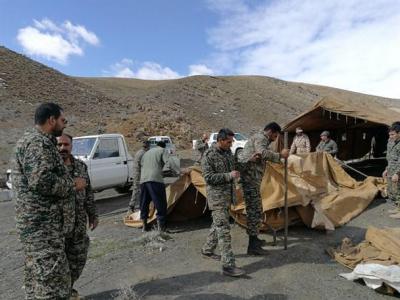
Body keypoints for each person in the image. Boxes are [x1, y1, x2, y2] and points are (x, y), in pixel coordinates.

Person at [12, 102, 87, 299]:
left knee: (39, 280)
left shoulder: (39, 142)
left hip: (43, 227)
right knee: (53, 282)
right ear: (51, 120)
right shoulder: (38, 143)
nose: (65, 124)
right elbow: (41, 181)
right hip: (42, 228)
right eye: (63, 120)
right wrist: (73, 185)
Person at [201, 128, 248, 277]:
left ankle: (207, 250)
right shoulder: (209, 155)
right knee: (224, 232)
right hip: (217, 199)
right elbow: (208, 177)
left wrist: (249, 160)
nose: (231, 144)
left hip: (227, 197)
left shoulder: (228, 152)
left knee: (217, 225)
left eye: (232, 141)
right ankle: (228, 266)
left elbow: (235, 165)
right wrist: (228, 176)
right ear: (220, 140)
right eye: (228, 141)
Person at [57, 133, 99, 299]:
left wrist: (93, 215)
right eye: (59, 145)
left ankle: (68, 288)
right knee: (59, 263)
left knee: (78, 259)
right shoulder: (51, 169)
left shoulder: (81, 166)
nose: (62, 148)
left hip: (79, 223)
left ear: (71, 146)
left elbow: (88, 192)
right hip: (58, 225)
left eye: (66, 145)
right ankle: (63, 293)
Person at [238, 122, 289, 255]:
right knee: (254, 211)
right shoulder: (261, 138)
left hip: (251, 180)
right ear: (271, 132)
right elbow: (262, 153)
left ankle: (254, 240)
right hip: (249, 180)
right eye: (275, 136)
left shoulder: (259, 138)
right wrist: (280, 156)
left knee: (256, 210)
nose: (275, 139)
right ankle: (253, 247)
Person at [140, 141, 178, 232]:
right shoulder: (163, 150)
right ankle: (161, 228)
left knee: (144, 202)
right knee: (160, 203)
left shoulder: (147, 153)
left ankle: (144, 226)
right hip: (155, 180)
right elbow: (169, 162)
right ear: (164, 146)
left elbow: (142, 164)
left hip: (143, 180)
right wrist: (177, 171)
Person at [127, 140, 150, 214]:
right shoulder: (144, 153)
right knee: (137, 189)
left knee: (138, 189)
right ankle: (131, 207)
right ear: (148, 146)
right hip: (139, 173)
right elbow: (145, 165)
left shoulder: (139, 152)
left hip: (136, 173)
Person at [383, 124, 400, 218]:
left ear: (399, 133)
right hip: (391, 169)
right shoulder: (391, 142)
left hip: (398, 171)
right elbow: (390, 158)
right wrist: (386, 169)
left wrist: (397, 173)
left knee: (399, 190)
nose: (390, 137)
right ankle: (398, 208)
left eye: (393, 134)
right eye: (390, 134)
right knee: (394, 191)